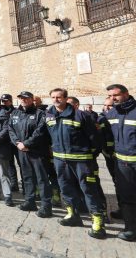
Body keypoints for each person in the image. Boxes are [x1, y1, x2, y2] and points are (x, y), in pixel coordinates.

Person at [46, 88, 105, 239]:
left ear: (66, 98)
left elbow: (95, 138)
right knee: (66, 188)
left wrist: (90, 155)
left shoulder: (81, 116)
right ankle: (73, 215)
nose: (56, 100)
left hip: (81, 161)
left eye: (59, 97)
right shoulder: (49, 115)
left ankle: (98, 222)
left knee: (88, 189)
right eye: (53, 97)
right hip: (60, 161)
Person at [8, 91, 52, 217]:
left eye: (26, 98)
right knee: (27, 177)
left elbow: (40, 132)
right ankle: (30, 201)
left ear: (32, 99)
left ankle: (46, 206)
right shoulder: (15, 113)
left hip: (37, 152)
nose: (23, 100)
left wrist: (26, 144)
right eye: (21, 98)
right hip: (22, 151)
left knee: (42, 179)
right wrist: (17, 143)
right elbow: (10, 129)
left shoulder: (40, 114)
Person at [105, 84, 136, 241]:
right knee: (126, 195)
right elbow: (103, 129)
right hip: (122, 163)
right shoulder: (112, 112)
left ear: (126, 94)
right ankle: (131, 229)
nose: (113, 99)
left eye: (115, 95)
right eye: (110, 96)